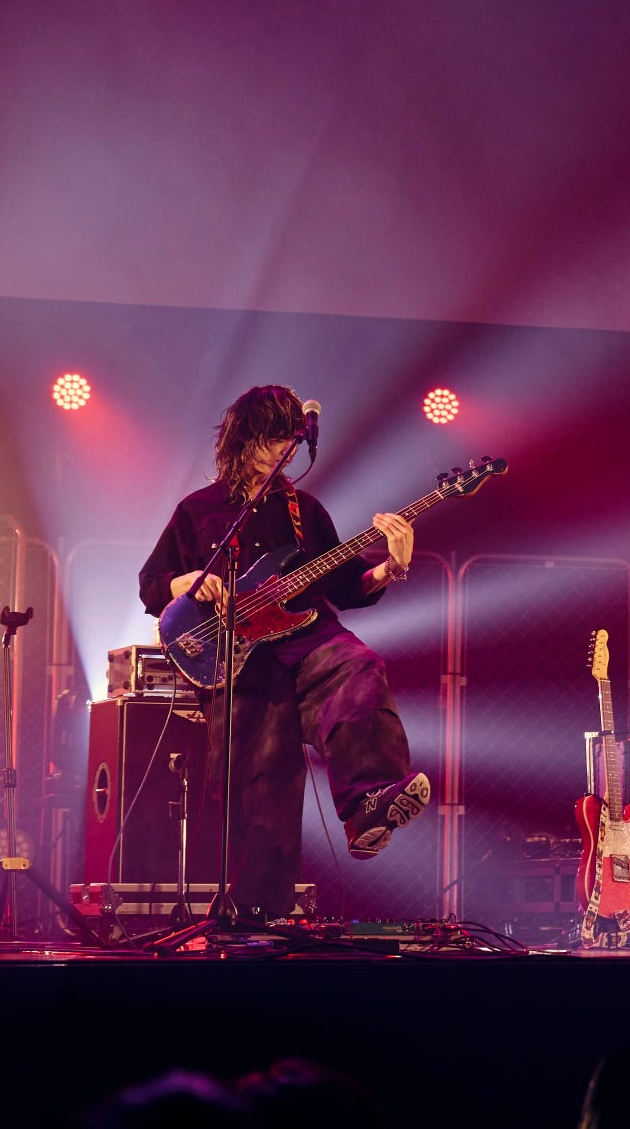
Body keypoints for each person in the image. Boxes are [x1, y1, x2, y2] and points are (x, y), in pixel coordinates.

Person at [139, 385, 427, 920]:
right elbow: (151, 584)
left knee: (359, 668)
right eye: (273, 440)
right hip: (236, 657)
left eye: (288, 441)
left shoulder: (305, 511)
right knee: (265, 783)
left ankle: (368, 803)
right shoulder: (198, 511)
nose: (283, 452)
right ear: (243, 439)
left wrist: (392, 567)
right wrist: (188, 582)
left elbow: (347, 585)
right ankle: (254, 916)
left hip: (306, 639)